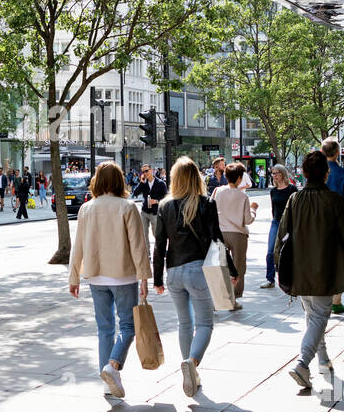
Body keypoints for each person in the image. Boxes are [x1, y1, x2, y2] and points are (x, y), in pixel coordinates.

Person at [276, 150, 344, 390]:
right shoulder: (334, 200)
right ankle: (302, 363)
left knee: (313, 316)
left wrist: (278, 264)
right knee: (320, 316)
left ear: (304, 173)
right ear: (326, 173)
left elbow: (282, 235)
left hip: (300, 267)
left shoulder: (295, 199)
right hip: (325, 266)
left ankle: (322, 360)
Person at [69, 161, 151, 399]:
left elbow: (79, 246)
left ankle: (107, 381)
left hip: (96, 276)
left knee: (104, 328)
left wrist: (74, 277)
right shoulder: (127, 206)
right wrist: (144, 275)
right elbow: (138, 245)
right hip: (123, 274)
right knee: (127, 326)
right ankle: (112, 366)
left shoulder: (87, 208)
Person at [152, 156, 227, 399]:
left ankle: (189, 370)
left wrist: (157, 279)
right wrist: (232, 271)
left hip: (173, 272)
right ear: (196, 178)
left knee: (184, 323)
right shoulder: (206, 203)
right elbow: (217, 240)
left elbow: (159, 245)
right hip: (197, 270)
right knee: (205, 324)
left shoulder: (165, 206)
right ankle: (192, 363)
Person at [320, 138, 344, 313]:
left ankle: (321, 297)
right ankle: (336, 300)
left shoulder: (317, 173)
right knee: (340, 261)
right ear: (337, 153)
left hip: (319, 223)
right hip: (339, 224)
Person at [212, 162, 256, 306]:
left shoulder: (218, 191)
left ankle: (219, 297)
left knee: (220, 266)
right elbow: (248, 220)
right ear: (239, 178)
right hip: (238, 234)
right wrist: (253, 209)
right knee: (238, 267)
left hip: (220, 233)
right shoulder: (242, 196)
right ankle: (233, 298)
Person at [261, 164, 298, 288]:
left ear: (283, 174)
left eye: (277, 173)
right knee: (270, 251)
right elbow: (273, 209)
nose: (274, 175)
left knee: (289, 251)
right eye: (273, 173)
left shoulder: (292, 189)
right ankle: (270, 279)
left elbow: (296, 208)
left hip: (289, 223)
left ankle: (292, 278)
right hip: (276, 222)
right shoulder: (273, 191)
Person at [132, 163, 168, 235]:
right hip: (145, 211)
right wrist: (141, 183)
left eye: (146, 171)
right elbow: (135, 193)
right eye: (143, 172)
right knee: (143, 234)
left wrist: (156, 201)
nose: (145, 173)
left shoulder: (160, 183)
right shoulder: (144, 183)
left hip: (155, 212)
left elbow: (165, 197)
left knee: (156, 234)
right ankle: (146, 247)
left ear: (151, 170)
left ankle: (156, 247)